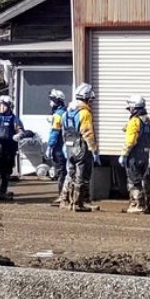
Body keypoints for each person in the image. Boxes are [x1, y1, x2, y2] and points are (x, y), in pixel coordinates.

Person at [60, 83, 99, 212]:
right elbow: (87, 133)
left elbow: (63, 131)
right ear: (86, 98)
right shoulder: (85, 113)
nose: (91, 102)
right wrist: (94, 150)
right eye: (90, 100)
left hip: (69, 146)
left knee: (70, 174)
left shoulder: (67, 112)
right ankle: (79, 203)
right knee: (82, 175)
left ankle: (65, 201)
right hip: (81, 147)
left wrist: (65, 146)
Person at [118, 95, 150, 214]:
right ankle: (147, 207)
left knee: (134, 182)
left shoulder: (134, 122)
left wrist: (123, 155)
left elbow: (130, 141)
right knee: (147, 182)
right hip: (147, 158)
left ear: (133, 108)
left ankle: (137, 206)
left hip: (135, 157)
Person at [0, 95, 24, 202]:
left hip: (9, 150)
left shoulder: (14, 119)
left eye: (5, 105)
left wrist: (19, 135)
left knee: (6, 174)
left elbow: (20, 130)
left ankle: (2, 193)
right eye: (1, 105)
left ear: (9, 106)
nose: (2, 107)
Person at [47, 89, 67, 206]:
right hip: (65, 147)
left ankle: (61, 196)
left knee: (61, 172)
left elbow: (54, 132)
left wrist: (50, 147)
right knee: (64, 172)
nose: (50, 103)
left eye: (52, 100)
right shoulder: (64, 112)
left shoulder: (58, 116)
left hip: (59, 148)